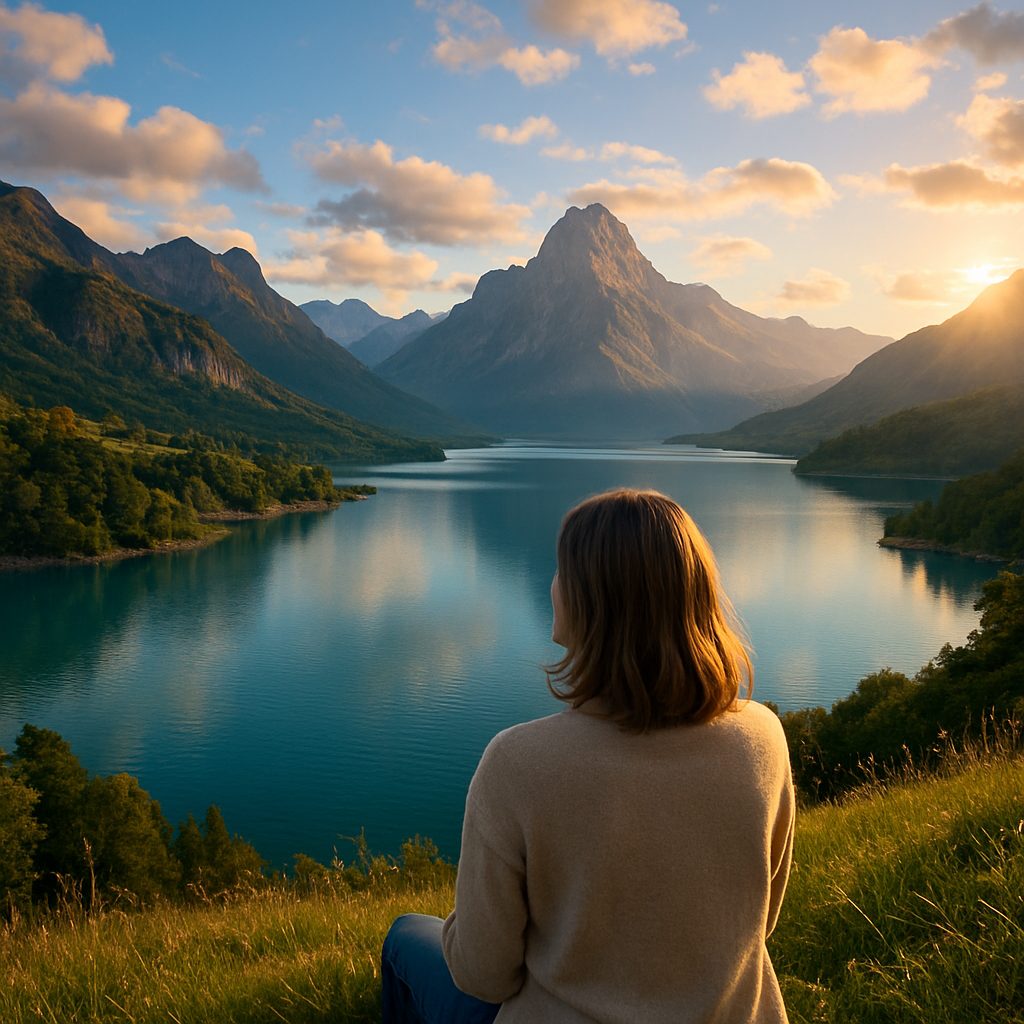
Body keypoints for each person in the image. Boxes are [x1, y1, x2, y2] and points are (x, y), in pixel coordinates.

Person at [381, 488, 794, 1024]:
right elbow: (760, 922)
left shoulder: (518, 763)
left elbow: (483, 974)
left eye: (559, 572)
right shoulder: (763, 737)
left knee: (405, 938)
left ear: (589, 602)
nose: (551, 586)